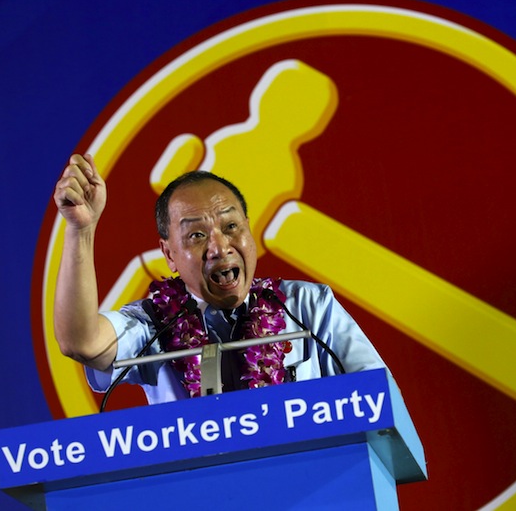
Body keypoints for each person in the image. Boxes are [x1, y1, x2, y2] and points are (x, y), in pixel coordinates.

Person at [53, 153, 386, 405]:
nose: (219, 247)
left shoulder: (308, 307)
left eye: (231, 227)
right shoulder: (153, 324)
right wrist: (81, 230)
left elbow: (381, 402)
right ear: (169, 254)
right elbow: (80, 342)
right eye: (196, 235)